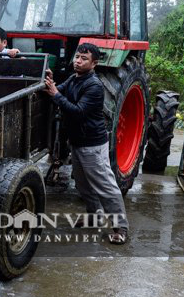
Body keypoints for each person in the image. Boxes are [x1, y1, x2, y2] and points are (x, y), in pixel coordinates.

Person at [43, 42, 128, 244]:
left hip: (92, 144)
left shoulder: (94, 86)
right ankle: (95, 216)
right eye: (77, 57)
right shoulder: (75, 78)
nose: (78, 62)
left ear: (94, 63)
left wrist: (55, 94)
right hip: (78, 142)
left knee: (105, 186)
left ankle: (120, 228)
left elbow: (78, 111)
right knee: (84, 185)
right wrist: (50, 82)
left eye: (84, 59)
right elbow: (59, 91)